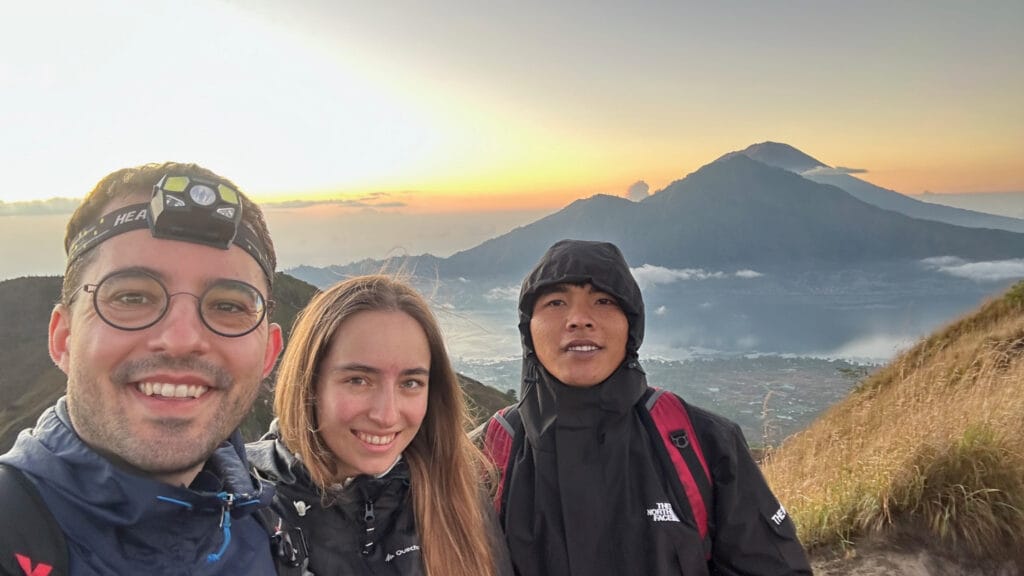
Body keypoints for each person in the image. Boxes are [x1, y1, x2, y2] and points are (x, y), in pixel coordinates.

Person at [0, 163, 284, 575]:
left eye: (228, 306)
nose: (182, 338)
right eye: (132, 297)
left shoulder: (270, 525)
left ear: (267, 354)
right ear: (63, 337)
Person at [485, 239, 812, 576]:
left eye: (603, 300)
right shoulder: (482, 457)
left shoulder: (705, 443)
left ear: (631, 326)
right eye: (555, 302)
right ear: (528, 329)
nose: (579, 319)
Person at [247, 275, 513, 576]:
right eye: (358, 380)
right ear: (309, 384)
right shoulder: (246, 506)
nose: (386, 415)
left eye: (410, 383)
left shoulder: (456, 492)